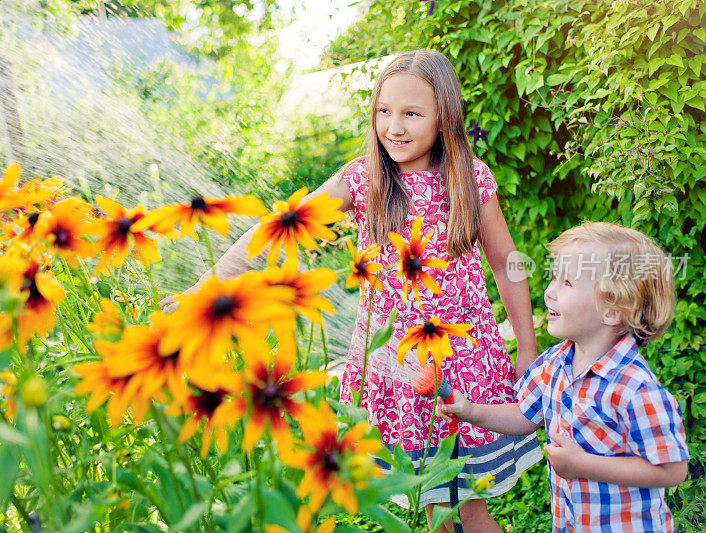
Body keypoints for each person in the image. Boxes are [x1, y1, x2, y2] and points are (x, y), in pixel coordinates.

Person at [161, 49, 542, 532]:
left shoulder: (469, 176)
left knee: (471, 507)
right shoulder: (364, 178)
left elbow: (507, 265)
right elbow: (281, 226)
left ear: (444, 117)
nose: (394, 127)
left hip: (465, 361)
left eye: (411, 113)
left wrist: (527, 348)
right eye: (384, 111)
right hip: (394, 367)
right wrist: (208, 287)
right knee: (433, 502)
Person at [439, 222, 690, 532]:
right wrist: (471, 411)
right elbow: (523, 415)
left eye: (566, 283)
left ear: (612, 310)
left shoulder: (635, 388)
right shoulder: (556, 362)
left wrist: (583, 465)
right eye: (553, 278)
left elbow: (672, 469)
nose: (549, 292)